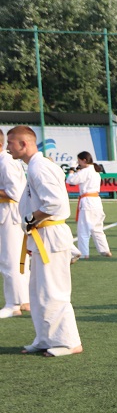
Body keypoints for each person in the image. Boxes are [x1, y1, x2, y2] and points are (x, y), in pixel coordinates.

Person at [7, 126, 82, 357]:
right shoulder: (35, 166)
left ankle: (69, 342)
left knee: (54, 291)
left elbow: (54, 203)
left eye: (10, 142)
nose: (8, 147)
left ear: (24, 144)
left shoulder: (40, 167)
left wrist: (30, 220)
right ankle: (45, 338)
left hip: (50, 234)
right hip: (41, 235)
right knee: (38, 293)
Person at [0, 129, 29, 318]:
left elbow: (15, 192)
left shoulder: (5, 162)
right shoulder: (5, 161)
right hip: (9, 214)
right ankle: (23, 300)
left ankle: (14, 304)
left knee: (9, 260)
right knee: (17, 259)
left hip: (9, 215)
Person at [65, 152, 111, 259]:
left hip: (87, 201)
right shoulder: (95, 171)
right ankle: (105, 249)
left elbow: (70, 181)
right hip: (96, 201)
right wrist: (78, 170)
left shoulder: (86, 171)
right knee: (97, 227)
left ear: (84, 160)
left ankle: (84, 253)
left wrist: (71, 169)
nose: (78, 163)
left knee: (83, 228)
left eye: (79, 161)